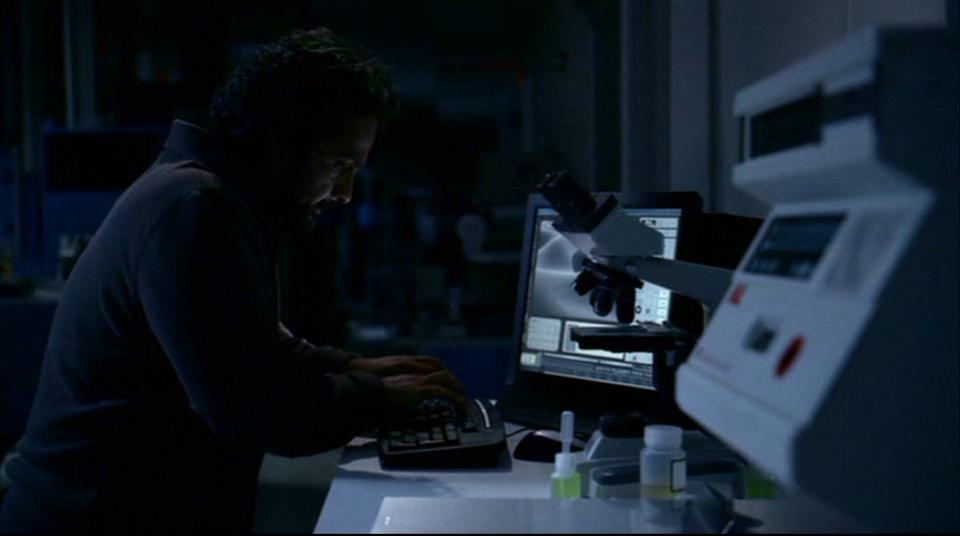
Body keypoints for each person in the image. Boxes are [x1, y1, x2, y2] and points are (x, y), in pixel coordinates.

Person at [0, 28, 465, 531]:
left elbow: (253, 347)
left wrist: (357, 366)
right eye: (339, 166)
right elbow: (249, 407)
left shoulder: (215, 198)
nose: (346, 193)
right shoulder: (198, 209)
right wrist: (379, 398)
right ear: (281, 144)